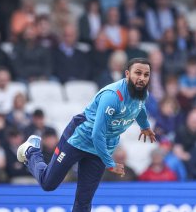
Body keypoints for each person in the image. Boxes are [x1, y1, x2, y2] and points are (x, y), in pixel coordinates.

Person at [17, 58, 156, 211]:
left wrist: (145, 126)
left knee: (84, 201)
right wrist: (110, 164)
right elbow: (97, 134)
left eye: (146, 75)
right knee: (48, 184)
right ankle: (31, 151)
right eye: (138, 73)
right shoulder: (112, 96)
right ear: (127, 74)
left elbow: (140, 108)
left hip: (100, 149)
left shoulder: (143, 94)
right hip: (78, 139)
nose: (142, 78)